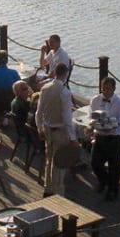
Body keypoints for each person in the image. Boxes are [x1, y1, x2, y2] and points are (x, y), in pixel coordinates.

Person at [34, 63, 79, 196]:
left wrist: (39, 129)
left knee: (49, 160)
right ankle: (58, 193)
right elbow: (66, 117)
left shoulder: (45, 88)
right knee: (59, 163)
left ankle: (47, 188)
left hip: (47, 129)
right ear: (65, 74)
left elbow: (39, 112)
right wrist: (73, 138)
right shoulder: (65, 93)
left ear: (55, 73)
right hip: (60, 131)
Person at [88, 77, 120, 201]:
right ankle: (104, 181)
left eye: (108, 88)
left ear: (114, 89)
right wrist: (91, 127)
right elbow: (91, 117)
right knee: (95, 164)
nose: (105, 91)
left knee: (115, 167)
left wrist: (109, 127)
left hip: (115, 139)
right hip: (100, 137)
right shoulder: (95, 100)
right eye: (103, 88)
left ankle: (113, 190)